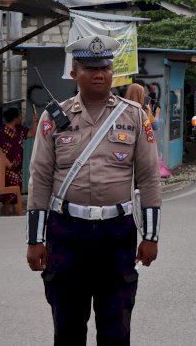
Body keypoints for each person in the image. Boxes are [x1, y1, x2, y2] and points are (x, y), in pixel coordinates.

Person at [26, 35, 162, 345]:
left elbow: (149, 178)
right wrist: (35, 239)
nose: (99, 73)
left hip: (117, 234)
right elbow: (40, 179)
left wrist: (151, 237)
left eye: (104, 67)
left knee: (115, 327)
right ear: (74, 73)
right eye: (89, 68)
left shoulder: (135, 116)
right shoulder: (54, 118)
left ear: (113, 72)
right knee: (68, 326)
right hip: (67, 233)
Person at [0, 107, 38, 215]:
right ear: (15, 118)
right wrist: (5, 160)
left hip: (18, 169)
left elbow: (33, 134)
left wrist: (35, 121)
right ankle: (17, 214)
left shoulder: (20, 130)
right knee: (11, 194)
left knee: (13, 194)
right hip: (7, 169)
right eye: (20, 115)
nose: (22, 117)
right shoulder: (2, 131)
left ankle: (8, 215)